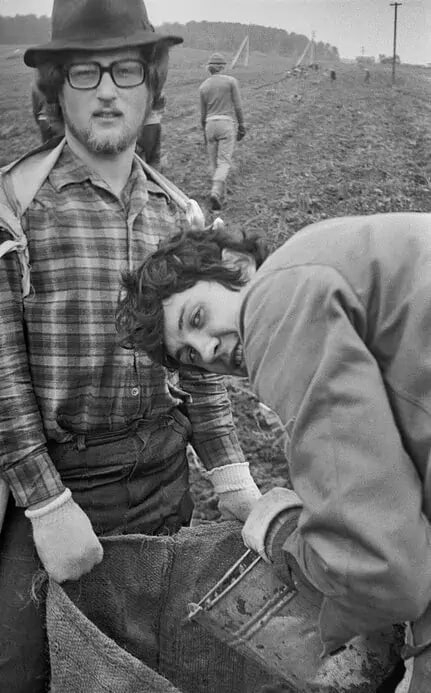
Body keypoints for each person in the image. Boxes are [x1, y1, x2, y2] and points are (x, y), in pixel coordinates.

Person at [0, 1, 260, 691]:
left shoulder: (181, 215)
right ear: (56, 88)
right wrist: (48, 507)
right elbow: (1, 375)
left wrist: (230, 475)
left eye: (124, 69)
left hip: (161, 482)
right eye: (85, 72)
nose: (108, 89)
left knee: (147, 663)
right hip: (57, 485)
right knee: (24, 672)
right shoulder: (14, 209)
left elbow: (198, 364)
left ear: (150, 87)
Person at [116, 214, 431, 693]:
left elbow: (380, 572)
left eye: (196, 318)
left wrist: (282, 532)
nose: (208, 348)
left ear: (237, 265)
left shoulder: (275, 301)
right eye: (193, 356)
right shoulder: (327, 256)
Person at [199, 52, 246, 211]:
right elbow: (238, 107)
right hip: (226, 124)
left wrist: (204, 134)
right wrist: (242, 125)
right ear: (222, 67)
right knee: (224, 162)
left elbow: (202, 115)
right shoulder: (231, 82)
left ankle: (220, 198)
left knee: (213, 163)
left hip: (209, 125)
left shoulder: (203, 86)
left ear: (210, 68)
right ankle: (215, 192)